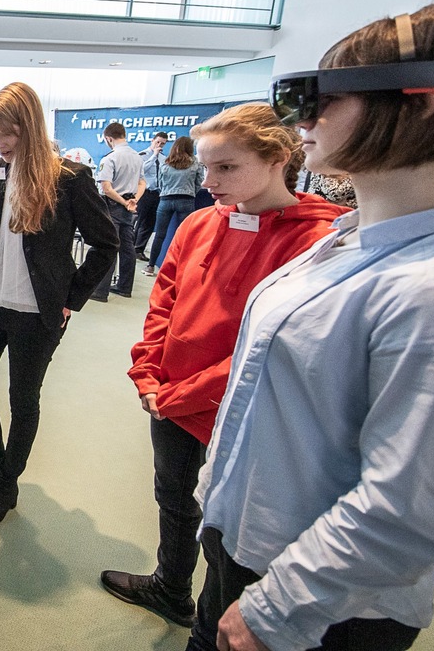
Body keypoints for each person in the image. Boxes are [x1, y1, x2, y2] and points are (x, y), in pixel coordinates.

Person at [190, 0, 434, 651]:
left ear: (423, 102)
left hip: (320, 603)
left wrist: (276, 610)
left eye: (323, 98)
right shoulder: (350, 241)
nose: (301, 120)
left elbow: (406, 507)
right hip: (245, 547)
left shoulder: (427, 289)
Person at [98, 103, 348, 629]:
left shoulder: (317, 241)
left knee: (227, 528)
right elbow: (163, 302)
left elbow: (269, 349)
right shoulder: (196, 222)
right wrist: (148, 374)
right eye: (206, 167)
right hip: (168, 398)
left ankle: (218, 613)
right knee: (173, 496)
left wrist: (177, 395)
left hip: (241, 415)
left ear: (280, 157)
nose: (208, 181)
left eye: (226, 167)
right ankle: (170, 586)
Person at [0, 82, 117, 526]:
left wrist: (70, 298)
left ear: (30, 127)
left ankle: (7, 483)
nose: (0, 143)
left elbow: (107, 245)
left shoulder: (68, 178)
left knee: (23, 399)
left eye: (8, 133)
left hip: (38, 316)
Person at [91, 121, 146, 300]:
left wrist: (123, 202)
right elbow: (142, 183)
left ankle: (100, 291)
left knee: (109, 247)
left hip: (114, 206)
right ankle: (124, 287)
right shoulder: (138, 157)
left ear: (108, 139)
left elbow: (106, 188)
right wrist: (133, 201)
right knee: (128, 248)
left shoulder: (110, 158)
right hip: (129, 206)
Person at [143, 136, 204, 276]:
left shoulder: (166, 162)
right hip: (186, 200)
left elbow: (159, 182)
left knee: (160, 235)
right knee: (184, 236)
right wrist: (190, 193)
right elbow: (199, 183)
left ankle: (150, 266)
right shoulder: (195, 162)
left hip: (165, 200)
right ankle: (180, 269)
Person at [134, 131, 171, 260]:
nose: (159, 145)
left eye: (163, 143)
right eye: (158, 142)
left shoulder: (163, 158)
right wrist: (153, 156)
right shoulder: (143, 155)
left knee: (150, 223)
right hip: (144, 192)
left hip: (157, 193)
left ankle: (139, 249)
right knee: (139, 220)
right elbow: (142, 170)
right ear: (152, 140)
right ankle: (131, 247)